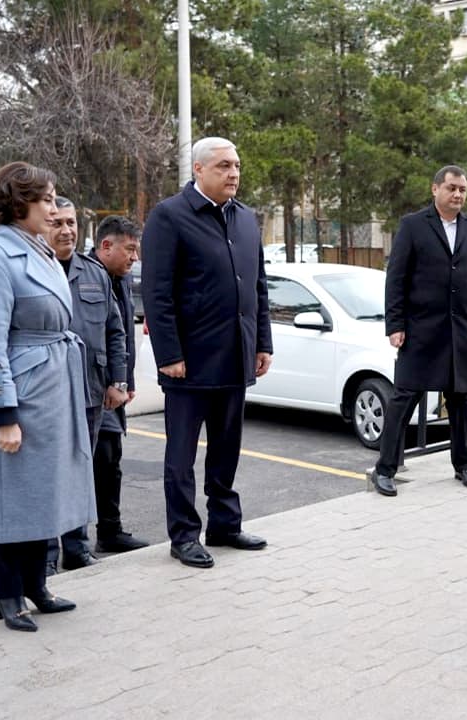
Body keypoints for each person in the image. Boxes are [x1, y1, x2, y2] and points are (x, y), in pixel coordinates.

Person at [0, 161, 95, 632]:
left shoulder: (37, 251)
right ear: (17, 203)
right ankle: (6, 596)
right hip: (22, 392)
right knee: (12, 495)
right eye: (44, 198)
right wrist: (2, 413)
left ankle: (37, 584)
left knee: (44, 491)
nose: (53, 205)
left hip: (52, 385)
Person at [141, 136, 273, 569]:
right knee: (181, 454)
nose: (233, 173)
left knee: (227, 447)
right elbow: (157, 294)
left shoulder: (246, 218)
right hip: (189, 363)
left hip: (235, 355)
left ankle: (224, 524)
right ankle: (183, 535)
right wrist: (169, 354)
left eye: (236, 165)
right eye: (223, 166)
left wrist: (262, 343)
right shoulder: (170, 217)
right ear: (198, 169)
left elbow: (258, 288)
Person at [367, 165, 467, 497]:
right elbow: (396, 278)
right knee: (403, 399)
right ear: (435, 190)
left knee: (461, 401)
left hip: (460, 331)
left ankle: (464, 465)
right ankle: (385, 469)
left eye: (462, 190)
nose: (457, 194)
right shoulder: (414, 226)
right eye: (451, 188)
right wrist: (395, 325)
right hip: (421, 331)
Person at [42, 196, 127, 574]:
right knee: (47, 474)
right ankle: (44, 553)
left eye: (71, 222)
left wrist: (117, 381)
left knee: (81, 470)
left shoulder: (93, 273)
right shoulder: (33, 271)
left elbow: (115, 331)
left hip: (91, 391)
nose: (66, 230)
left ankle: (76, 547)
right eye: (57, 222)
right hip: (46, 394)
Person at [90, 215, 149, 553]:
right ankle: (71, 543)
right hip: (94, 387)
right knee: (91, 461)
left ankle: (109, 531)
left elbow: (123, 332)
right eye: (129, 249)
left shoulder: (121, 279)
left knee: (110, 459)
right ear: (106, 246)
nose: (134, 257)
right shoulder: (85, 277)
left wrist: (125, 379)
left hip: (115, 385)